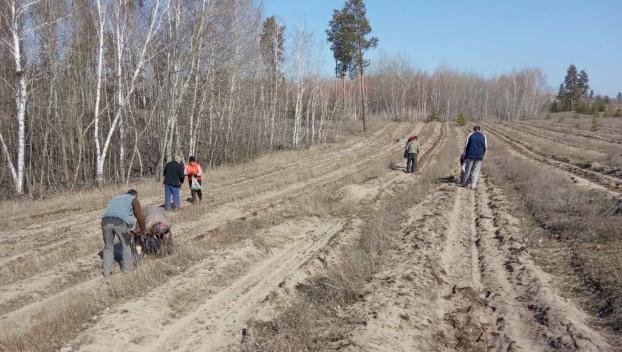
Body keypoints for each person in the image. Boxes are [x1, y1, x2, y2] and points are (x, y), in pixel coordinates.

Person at [100, 189, 146, 276]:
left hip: (105, 222)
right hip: (120, 223)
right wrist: (143, 230)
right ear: (135, 195)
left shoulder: (115, 198)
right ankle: (128, 269)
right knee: (126, 245)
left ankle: (106, 271)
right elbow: (139, 216)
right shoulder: (133, 200)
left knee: (108, 247)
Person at [461, 126, 487, 190]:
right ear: (479, 130)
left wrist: (465, 154)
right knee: (476, 171)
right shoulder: (483, 136)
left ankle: (465, 183)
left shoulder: (470, 135)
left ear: (473, 130)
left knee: (468, 170)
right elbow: (485, 147)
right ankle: (473, 186)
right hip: (479, 157)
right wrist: (482, 154)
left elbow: (466, 146)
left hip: (470, 156)